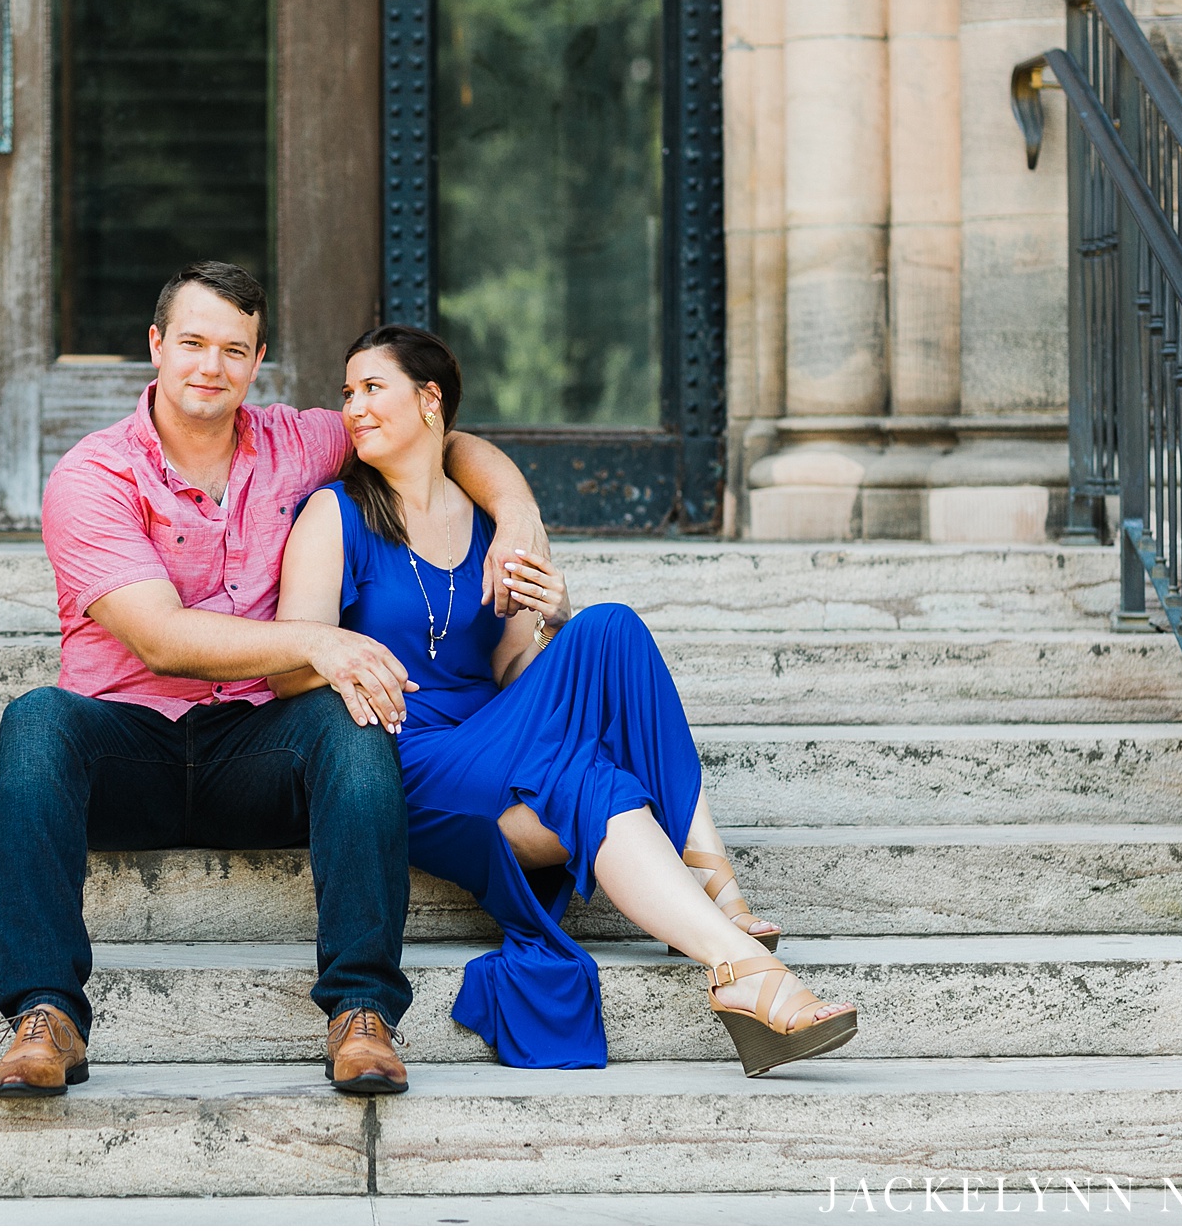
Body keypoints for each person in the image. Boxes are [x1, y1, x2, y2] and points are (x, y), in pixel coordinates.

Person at [0, 265, 550, 1098]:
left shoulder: (298, 441)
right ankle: (46, 1015)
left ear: (257, 362)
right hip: (127, 747)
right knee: (35, 719)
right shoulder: (93, 475)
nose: (210, 366)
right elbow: (163, 639)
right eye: (193, 343)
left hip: (255, 748)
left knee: (349, 718)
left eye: (234, 349)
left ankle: (361, 1011)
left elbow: (439, 435)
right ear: (156, 346)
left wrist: (518, 514)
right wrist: (318, 641)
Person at [270, 325, 858, 1075]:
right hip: (404, 755)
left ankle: (740, 968)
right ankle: (717, 889)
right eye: (346, 392)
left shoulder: (489, 524)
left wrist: (550, 620)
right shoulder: (336, 513)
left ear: (430, 401)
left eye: (371, 388)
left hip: (494, 734)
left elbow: (516, 669)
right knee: (604, 657)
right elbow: (290, 666)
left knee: (597, 688)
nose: (352, 407)